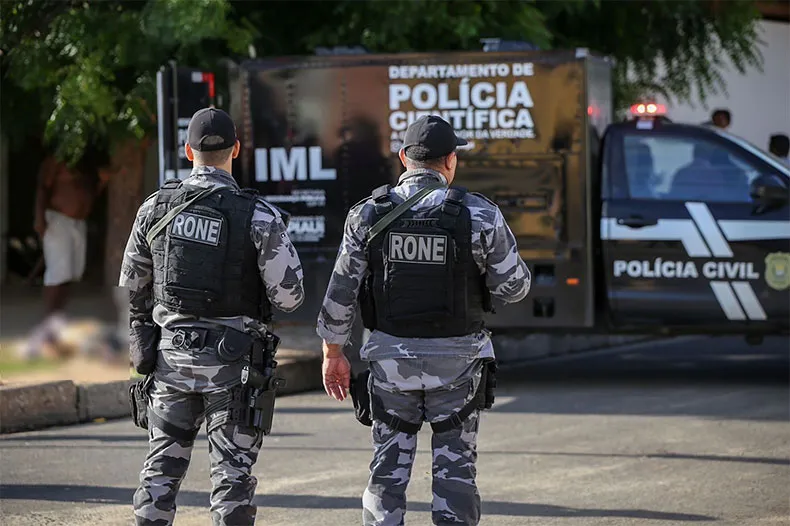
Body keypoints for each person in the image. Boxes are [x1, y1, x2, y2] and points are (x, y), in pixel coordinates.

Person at [317, 115, 531, 526]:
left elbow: (341, 291)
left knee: (387, 473)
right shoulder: (480, 214)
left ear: (403, 159)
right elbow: (514, 288)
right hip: (458, 364)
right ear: (451, 161)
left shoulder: (367, 215)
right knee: (456, 474)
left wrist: (333, 353)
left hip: (389, 364)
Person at [119, 107, 305, 526]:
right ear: (235, 149)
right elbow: (290, 297)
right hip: (233, 368)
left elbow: (133, 284)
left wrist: (141, 341)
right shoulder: (258, 215)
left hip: (170, 361)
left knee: (159, 475)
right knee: (232, 481)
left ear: (189, 151)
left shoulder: (155, 207)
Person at [23, 155, 110, 357]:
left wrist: (102, 183)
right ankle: (47, 326)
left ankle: (57, 322)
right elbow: (43, 189)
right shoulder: (54, 160)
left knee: (72, 273)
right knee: (57, 273)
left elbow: (89, 194)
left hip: (78, 223)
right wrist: (39, 218)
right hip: (58, 220)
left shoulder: (84, 165)